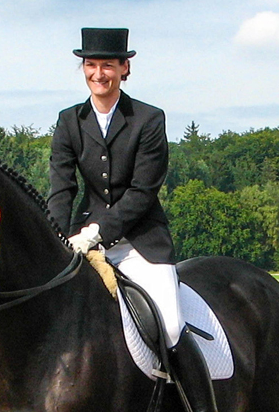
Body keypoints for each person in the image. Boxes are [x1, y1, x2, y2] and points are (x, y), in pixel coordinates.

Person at [48, 27, 217, 412]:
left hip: (141, 243)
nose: (99, 74)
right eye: (91, 65)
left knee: (170, 326)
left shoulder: (148, 119)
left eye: (108, 65)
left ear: (125, 68)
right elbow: (61, 189)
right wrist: (58, 237)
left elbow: (143, 191)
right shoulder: (69, 121)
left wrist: (97, 232)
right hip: (83, 247)